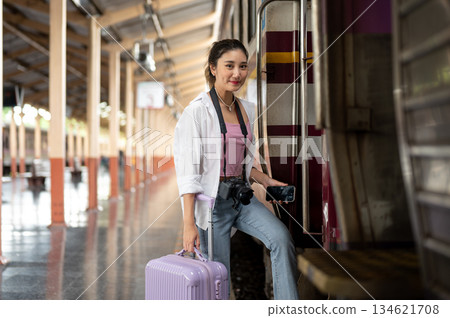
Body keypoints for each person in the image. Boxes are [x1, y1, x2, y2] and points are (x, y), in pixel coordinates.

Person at [173, 39, 299, 300]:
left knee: (281, 239)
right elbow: (188, 172)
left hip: (241, 197)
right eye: (229, 65)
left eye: (242, 66)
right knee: (220, 274)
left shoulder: (247, 110)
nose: (237, 73)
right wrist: (188, 224)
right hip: (212, 205)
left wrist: (266, 181)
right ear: (213, 68)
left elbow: (243, 161)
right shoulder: (196, 112)